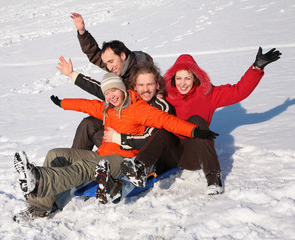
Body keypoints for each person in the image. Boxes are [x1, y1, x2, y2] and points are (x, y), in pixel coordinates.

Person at [13, 72, 217, 222]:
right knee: (55, 154)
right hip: (103, 154)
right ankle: (40, 207)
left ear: (122, 89)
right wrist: (63, 103)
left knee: (84, 168)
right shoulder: (107, 109)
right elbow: (86, 104)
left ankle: (39, 179)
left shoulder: (139, 109)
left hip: (123, 160)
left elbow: (165, 121)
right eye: (107, 92)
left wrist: (194, 131)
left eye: (114, 91)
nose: (111, 95)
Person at [117, 47, 281, 195]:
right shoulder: (167, 94)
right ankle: (139, 168)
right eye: (179, 78)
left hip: (194, 155)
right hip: (170, 153)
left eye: (187, 78)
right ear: (173, 79)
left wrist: (257, 68)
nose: (182, 83)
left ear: (195, 78)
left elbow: (239, 91)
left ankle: (214, 179)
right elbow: (142, 90)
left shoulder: (209, 94)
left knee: (197, 121)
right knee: (163, 131)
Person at [68, 12, 160, 150]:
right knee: (88, 124)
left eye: (111, 62)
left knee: (101, 136)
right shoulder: (119, 67)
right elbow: (95, 55)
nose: (109, 67)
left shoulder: (143, 72)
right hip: (119, 114)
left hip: (134, 126)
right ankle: (71, 167)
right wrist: (82, 32)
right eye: (107, 63)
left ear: (122, 55)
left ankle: (105, 166)